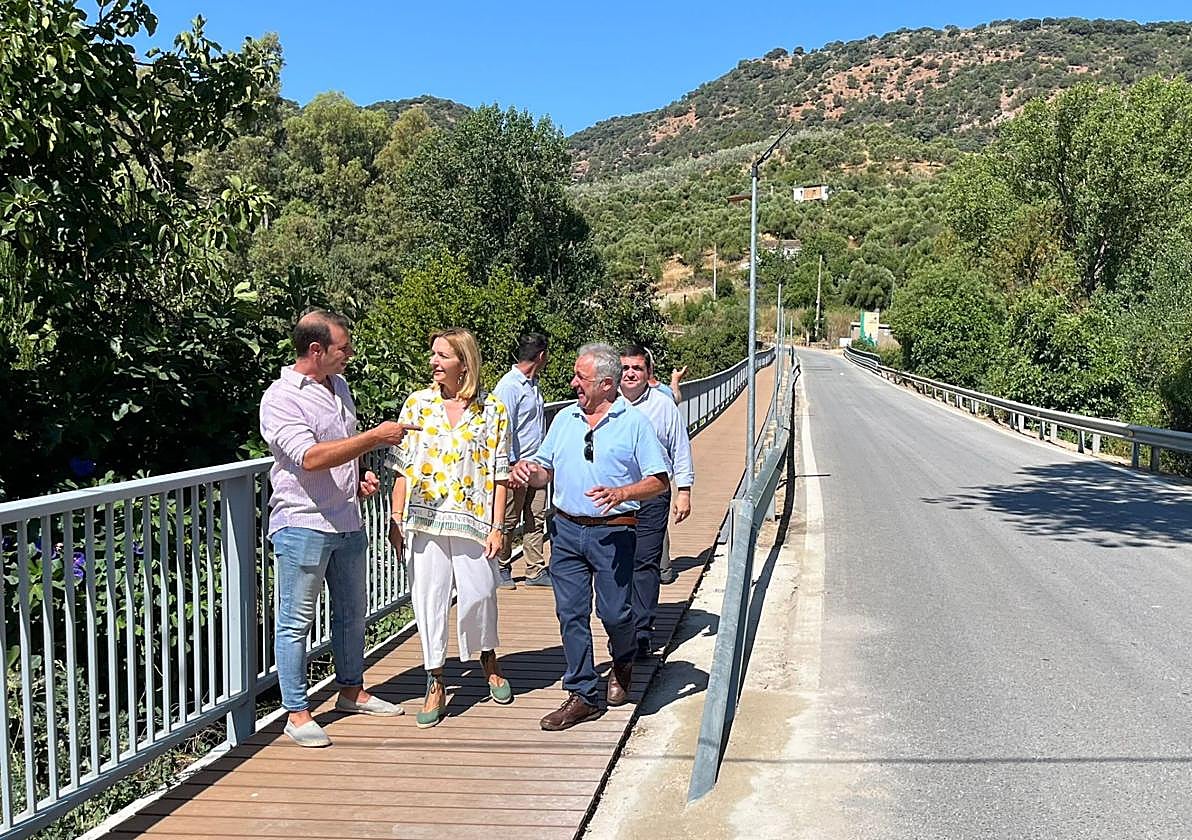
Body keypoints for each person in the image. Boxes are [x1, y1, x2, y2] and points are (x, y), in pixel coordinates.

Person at [260, 309, 419, 748]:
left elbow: (340, 447)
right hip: (303, 522)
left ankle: (351, 690)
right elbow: (308, 457)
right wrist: (373, 438)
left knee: (352, 613)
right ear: (317, 350)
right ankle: (297, 713)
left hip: (346, 519)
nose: (350, 354)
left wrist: (361, 470)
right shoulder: (280, 398)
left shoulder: (340, 386)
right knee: (296, 622)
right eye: (343, 348)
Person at [510, 343, 670, 731]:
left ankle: (624, 657)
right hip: (565, 530)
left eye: (580, 378)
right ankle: (582, 693)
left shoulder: (634, 423)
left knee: (615, 613)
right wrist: (529, 473)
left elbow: (660, 481)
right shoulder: (565, 418)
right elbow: (546, 468)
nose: (573, 383)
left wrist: (622, 494)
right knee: (571, 614)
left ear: (606, 384)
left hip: (614, 533)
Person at [386, 328, 513, 729]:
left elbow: (500, 474)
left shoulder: (492, 409)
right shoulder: (417, 405)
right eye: (433, 355)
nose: (434, 362)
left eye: (442, 355)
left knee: (480, 594)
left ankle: (486, 656)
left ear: (463, 361)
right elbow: (402, 468)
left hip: (473, 520)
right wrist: (395, 518)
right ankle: (435, 677)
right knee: (428, 598)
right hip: (424, 518)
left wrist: (498, 527)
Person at [619, 344, 694, 659]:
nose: (631, 373)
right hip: (617, 499)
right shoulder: (606, 405)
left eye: (637, 368)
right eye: (625, 368)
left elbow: (680, 446)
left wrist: (685, 491)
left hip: (653, 495)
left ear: (648, 373)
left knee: (646, 562)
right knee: (617, 564)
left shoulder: (664, 405)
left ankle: (643, 630)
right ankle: (621, 625)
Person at [492, 333, 550, 589]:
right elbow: (502, 428)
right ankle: (501, 566)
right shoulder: (509, 386)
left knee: (536, 517)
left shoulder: (533, 384)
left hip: (536, 464)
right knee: (508, 519)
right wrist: (511, 465)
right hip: (517, 466)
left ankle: (534, 570)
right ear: (540, 355)